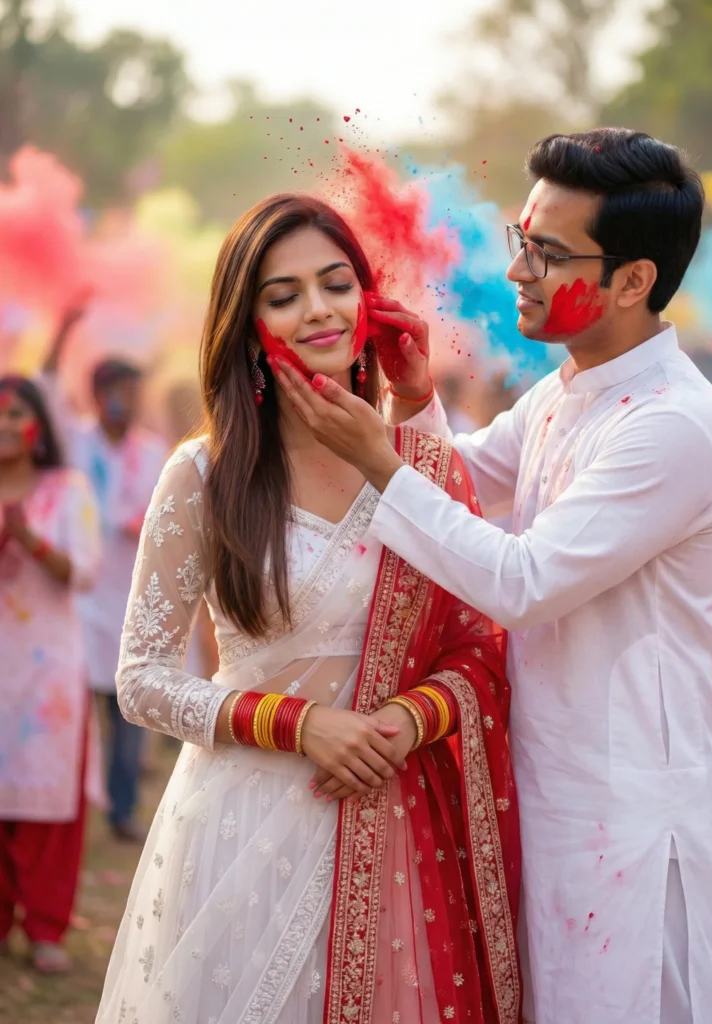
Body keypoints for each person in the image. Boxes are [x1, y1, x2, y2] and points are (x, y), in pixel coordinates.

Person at [275, 129, 712, 1024]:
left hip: (631, 805)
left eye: (548, 252)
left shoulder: (671, 425)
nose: (518, 271)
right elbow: (461, 488)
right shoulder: (569, 390)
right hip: (547, 779)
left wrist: (379, 458)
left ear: (634, 279)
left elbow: (518, 582)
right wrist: (413, 402)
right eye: (520, 240)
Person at [96, 194, 520, 1024]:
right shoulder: (205, 476)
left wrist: (406, 719)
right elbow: (140, 680)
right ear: (247, 322)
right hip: (239, 824)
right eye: (282, 294)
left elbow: (479, 645)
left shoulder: (418, 468)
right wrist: (296, 724)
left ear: (369, 302)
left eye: (335, 284)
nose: (317, 309)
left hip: (392, 816)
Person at [40, 315, 168, 842]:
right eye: (118, 391)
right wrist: (63, 332)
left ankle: (120, 811)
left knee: (129, 716)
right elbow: (42, 392)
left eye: (134, 392)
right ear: (96, 394)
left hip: (129, 602)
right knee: (70, 714)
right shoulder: (74, 443)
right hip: (74, 602)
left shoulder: (155, 452)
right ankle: (61, 805)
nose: (127, 401)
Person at [0, 376, 100, 973]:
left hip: (48, 678)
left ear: (38, 426)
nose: (7, 426)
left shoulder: (68, 490)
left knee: (46, 804)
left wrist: (30, 540)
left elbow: (83, 574)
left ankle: (45, 927)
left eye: (17, 415)